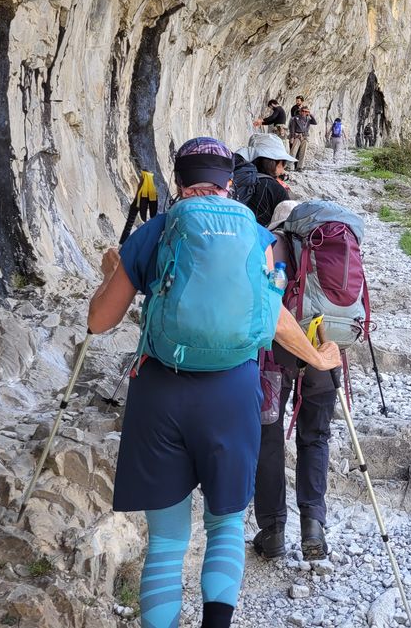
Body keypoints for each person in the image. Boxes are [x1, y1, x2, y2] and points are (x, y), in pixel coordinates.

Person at [87, 137, 340, 628]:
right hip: (232, 395)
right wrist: (318, 357)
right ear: (229, 183)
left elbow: (99, 321)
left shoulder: (156, 232)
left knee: (166, 542)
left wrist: (112, 272)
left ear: (178, 181)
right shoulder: (258, 238)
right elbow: (274, 319)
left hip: (160, 395)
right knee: (224, 527)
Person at [240, 197, 338, 562]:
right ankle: (313, 527)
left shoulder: (271, 247)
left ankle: (273, 531)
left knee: (269, 437)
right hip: (323, 348)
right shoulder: (326, 251)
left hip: (275, 354)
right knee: (316, 436)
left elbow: (261, 304)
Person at [232, 134, 295, 227]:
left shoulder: (234, 176)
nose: (283, 170)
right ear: (274, 162)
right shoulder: (277, 190)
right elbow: (287, 226)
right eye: (283, 163)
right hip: (256, 235)